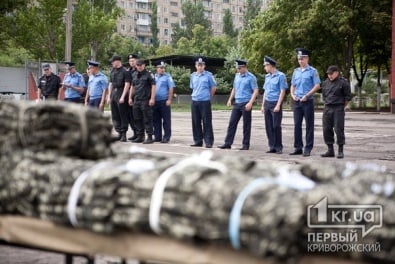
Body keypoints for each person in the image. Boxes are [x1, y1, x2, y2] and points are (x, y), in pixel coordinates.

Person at [217, 59, 258, 150]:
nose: (238, 70)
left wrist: (251, 102)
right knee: (232, 123)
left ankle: (245, 144)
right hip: (237, 102)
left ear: (244, 67)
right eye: (237, 68)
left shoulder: (251, 77)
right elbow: (234, 88)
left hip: (246, 102)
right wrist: (230, 99)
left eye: (239, 68)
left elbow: (255, 90)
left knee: (246, 125)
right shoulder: (237, 76)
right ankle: (227, 143)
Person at [289, 48, 321, 157]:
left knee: (309, 125)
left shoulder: (313, 71)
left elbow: (317, 85)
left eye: (302, 59)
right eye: (299, 59)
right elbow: (292, 85)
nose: (300, 61)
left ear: (307, 59)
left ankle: (308, 148)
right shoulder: (296, 71)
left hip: (307, 101)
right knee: (297, 125)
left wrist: (307, 95)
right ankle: (298, 147)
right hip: (297, 101)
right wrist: (293, 95)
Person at [320, 65, 352, 159]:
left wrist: (342, 106)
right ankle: (330, 150)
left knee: (339, 129)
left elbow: (347, 97)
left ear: (337, 73)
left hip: (338, 108)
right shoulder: (325, 83)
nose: (330, 75)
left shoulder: (343, 83)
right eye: (328, 74)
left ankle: (340, 150)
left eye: (331, 73)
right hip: (327, 108)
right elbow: (324, 96)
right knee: (326, 129)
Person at [261, 56, 288, 154]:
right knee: (268, 126)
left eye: (265, 66)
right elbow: (265, 91)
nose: (264, 68)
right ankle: (272, 146)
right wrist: (263, 105)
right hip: (268, 103)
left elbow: (282, 91)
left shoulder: (281, 76)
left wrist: (278, 105)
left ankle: (278, 146)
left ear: (270, 65)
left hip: (275, 103)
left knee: (276, 126)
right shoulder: (267, 77)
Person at [189, 57, 217, 148]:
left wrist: (209, 97)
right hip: (195, 101)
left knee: (206, 122)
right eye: (198, 65)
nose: (200, 67)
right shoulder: (193, 76)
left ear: (204, 66)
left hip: (205, 101)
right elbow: (192, 87)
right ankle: (198, 141)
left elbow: (213, 87)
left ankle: (208, 141)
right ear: (195, 66)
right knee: (196, 122)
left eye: (202, 65)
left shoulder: (209, 75)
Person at [128, 59, 156, 144]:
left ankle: (150, 137)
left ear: (144, 65)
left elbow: (153, 86)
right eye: (138, 65)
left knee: (147, 119)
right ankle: (140, 136)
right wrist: (130, 97)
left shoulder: (149, 75)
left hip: (145, 100)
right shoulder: (134, 74)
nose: (139, 67)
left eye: (141, 65)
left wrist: (152, 98)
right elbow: (132, 87)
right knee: (137, 118)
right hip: (136, 100)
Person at [107, 55, 131, 142]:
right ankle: (119, 132)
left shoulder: (125, 71)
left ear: (118, 61)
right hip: (114, 93)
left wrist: (123, 96)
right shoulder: (112, 71)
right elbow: (110, 84)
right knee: (115, 115)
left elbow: (127, 84)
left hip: (121, 92)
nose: (112, 63)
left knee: (122, 114)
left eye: (113, 61)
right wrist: (109, 96)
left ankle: (124, 134)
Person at [153, 61, 175, 143]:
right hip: (155, 101)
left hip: (164, 101)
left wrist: (169, 99)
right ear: (157, 68)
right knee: (156, 120)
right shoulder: (153, 77)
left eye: (163, 68)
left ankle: (166, 137)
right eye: (161, 68)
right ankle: (157, 136)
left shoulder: (168, 77)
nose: (162, 69)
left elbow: (171, 88)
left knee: (166, 120)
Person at [126, 53, 139, 141]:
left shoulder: (140, 70)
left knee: (137, 116)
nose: (131, 62)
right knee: (130, 116)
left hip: (137, 96)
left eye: (133, 61)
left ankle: (139, 134)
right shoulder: (128, 71)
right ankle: (135, 133)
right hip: (129, 96)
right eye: (130, 61)